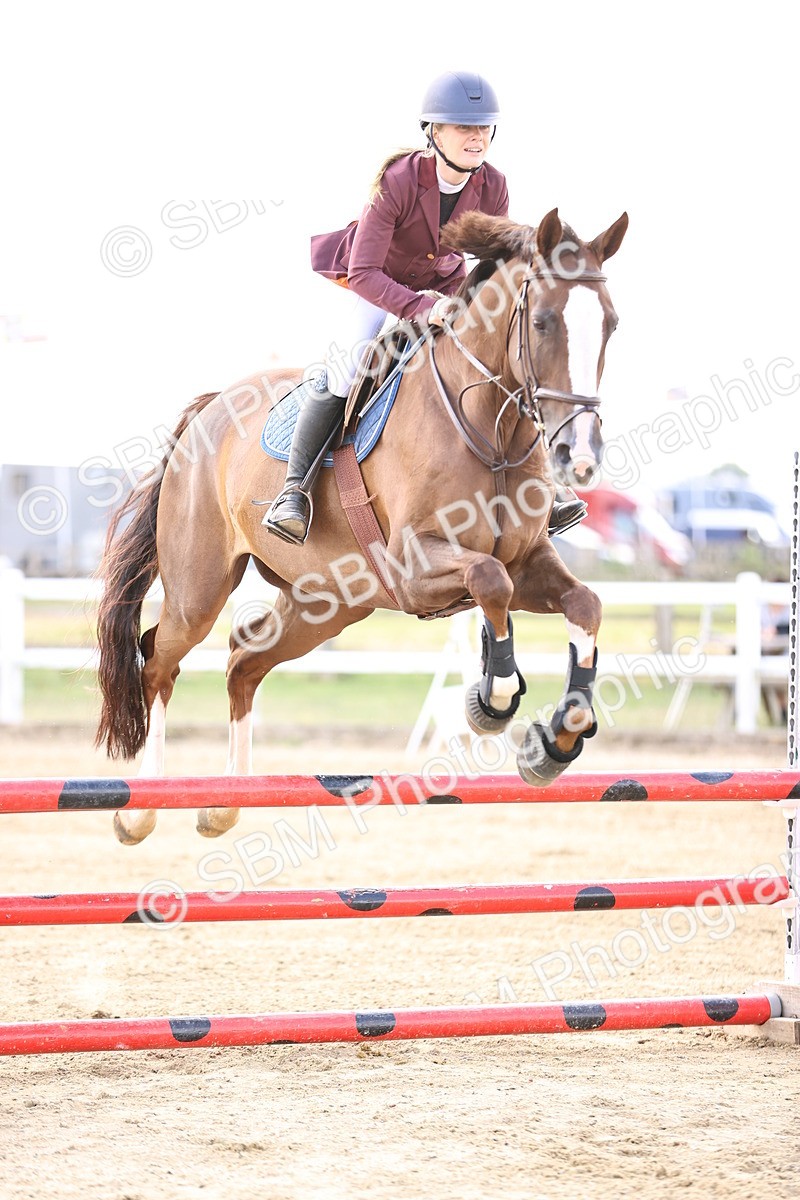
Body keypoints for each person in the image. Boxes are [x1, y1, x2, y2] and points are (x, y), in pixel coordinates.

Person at [263, 70, 587, 545]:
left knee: (505, 357)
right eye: (463, 127)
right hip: (376, 284)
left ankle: (547, 487)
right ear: (434, 132)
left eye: (482, 128)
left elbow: (493, 263)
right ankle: (294, 492)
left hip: (444, 285)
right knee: (348, 366)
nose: (476, 137)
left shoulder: (493, 185)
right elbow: (364, 272)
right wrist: (419, 308)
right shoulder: (397, 182)